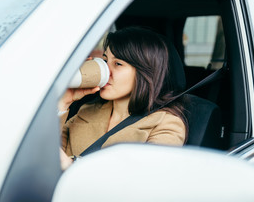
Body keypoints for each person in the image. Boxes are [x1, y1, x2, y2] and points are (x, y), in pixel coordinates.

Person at [58, 26, 187, 169]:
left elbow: (144, 179)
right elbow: (43, 153)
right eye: (105, 60)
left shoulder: (165, 124)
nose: (106, 71)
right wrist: (64, 102)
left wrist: (71, 166)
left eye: (118, 64)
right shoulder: (86, 111)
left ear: (144, 73)